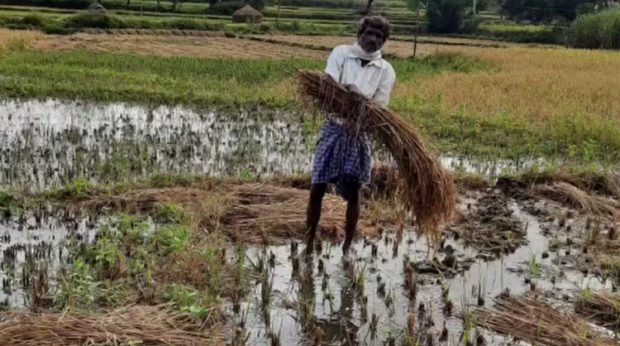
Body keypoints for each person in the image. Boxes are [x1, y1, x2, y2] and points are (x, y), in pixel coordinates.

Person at [305, 16, 396, 255]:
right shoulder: (342, 53)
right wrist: (350, 92)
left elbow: (380, 106)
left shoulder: (386, 70)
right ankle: (309, 238)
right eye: (369, 33)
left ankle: (347, 245)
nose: (373, 39)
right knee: (318, 185)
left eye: (379, 36)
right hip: (335, 126)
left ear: (384, 41)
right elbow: (328, 84)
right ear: (360, 34)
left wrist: (361, 101)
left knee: (355, 190)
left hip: (360, 134)